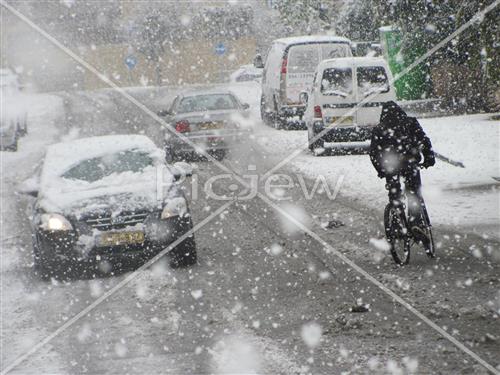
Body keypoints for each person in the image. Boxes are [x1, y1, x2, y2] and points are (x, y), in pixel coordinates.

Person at [369, 101, 435, 244]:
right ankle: (416, 222)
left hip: (390, 166)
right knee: (414, 192)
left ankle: (398, 223)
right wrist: (429, 158)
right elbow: (424, 140)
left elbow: (373, 153)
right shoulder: (410, 122)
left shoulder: (379, 129)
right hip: (409, 162)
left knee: (395, 194)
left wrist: (381, 170)